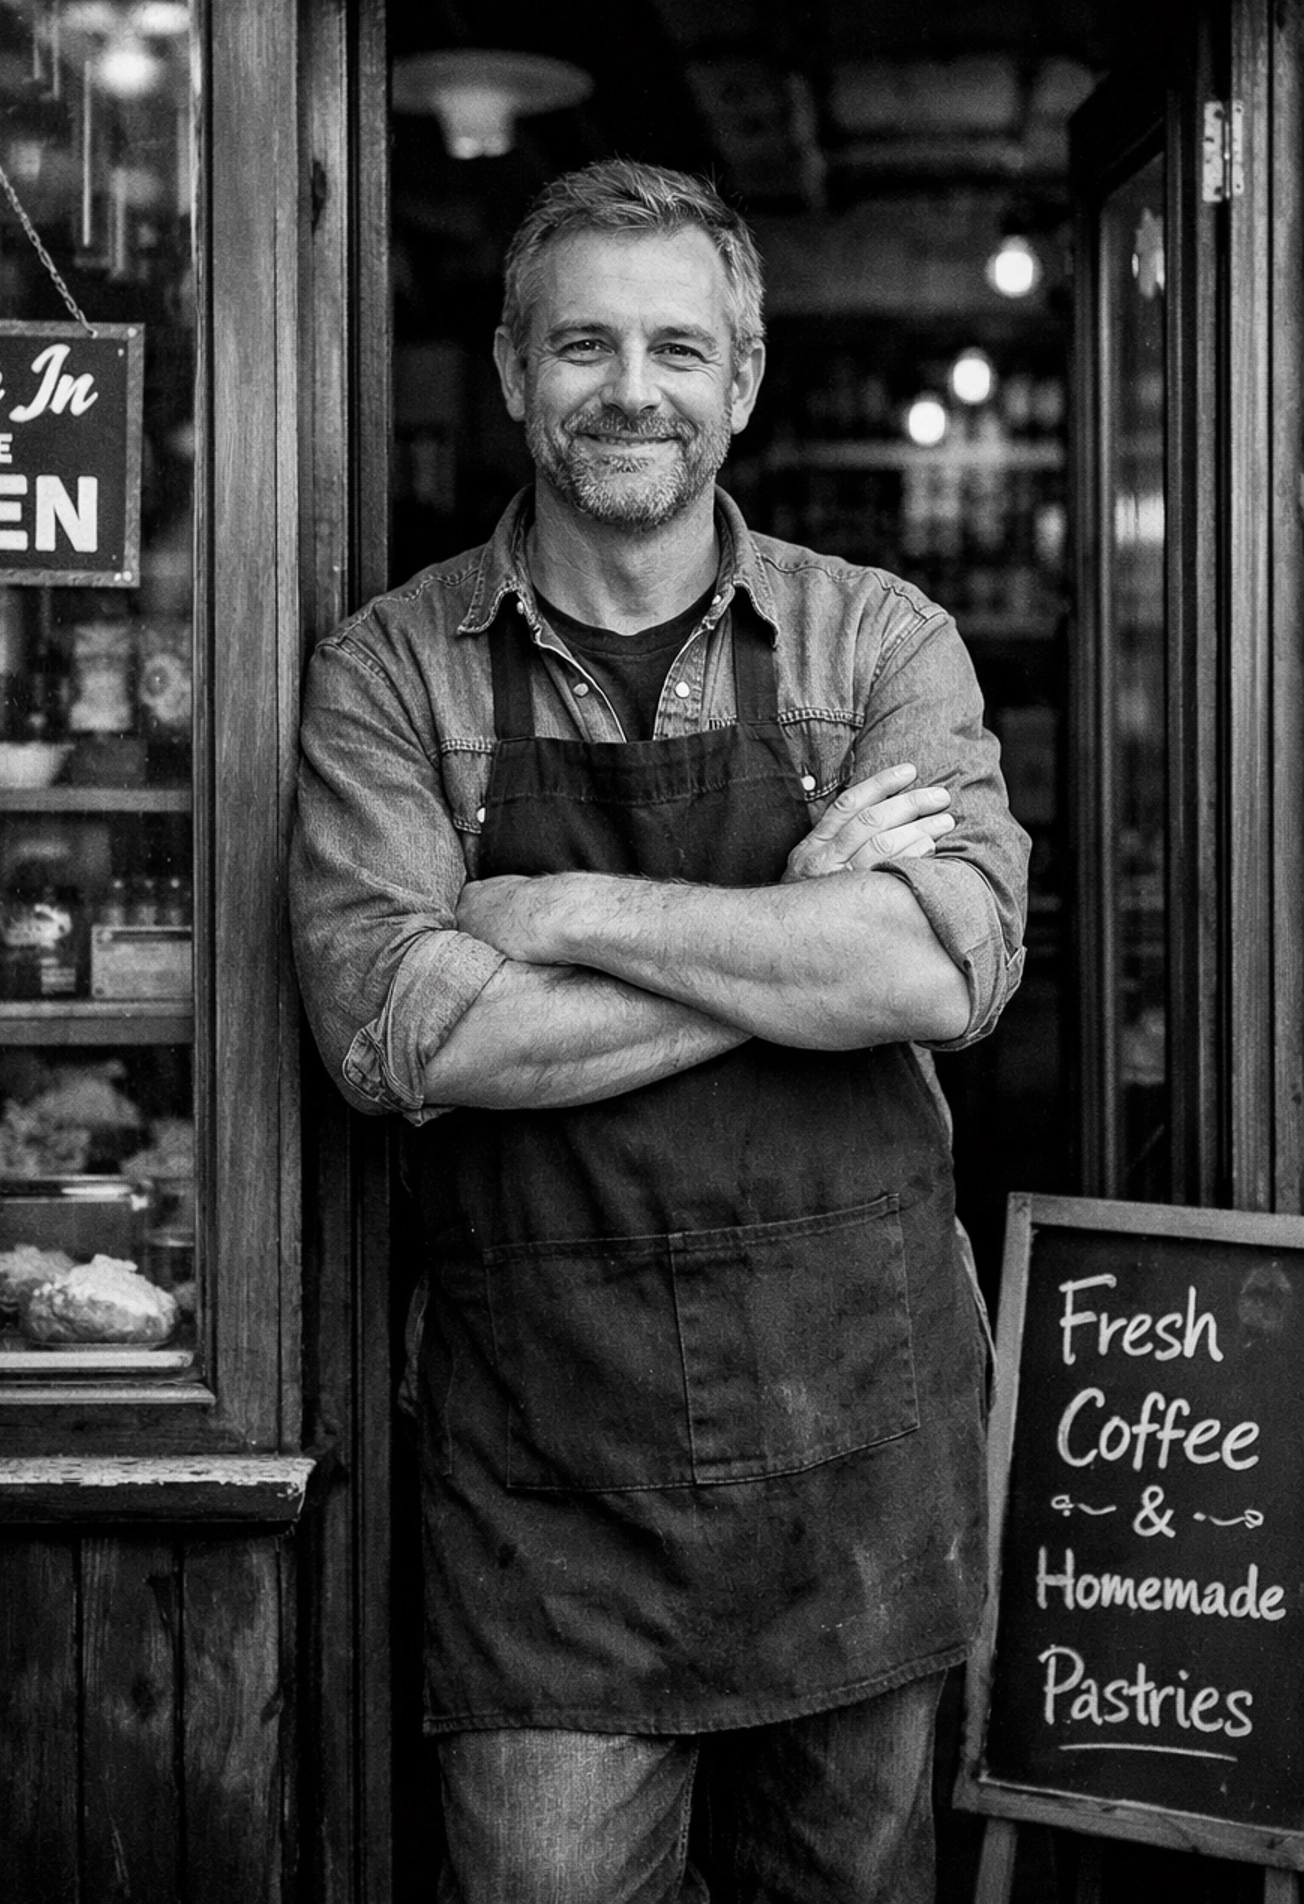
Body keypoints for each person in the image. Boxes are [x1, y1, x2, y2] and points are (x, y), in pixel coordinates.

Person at [291, 158, 1029, 1904]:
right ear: (508, 370)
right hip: (554, 1499)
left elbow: (947, 978)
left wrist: (562, 912)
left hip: (858, 1457)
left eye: (679, 349)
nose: (633, 390)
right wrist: (797, 940)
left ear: (744, 382)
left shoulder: (876, 640)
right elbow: (405, 1036)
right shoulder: (392, 675)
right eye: (585, 346)